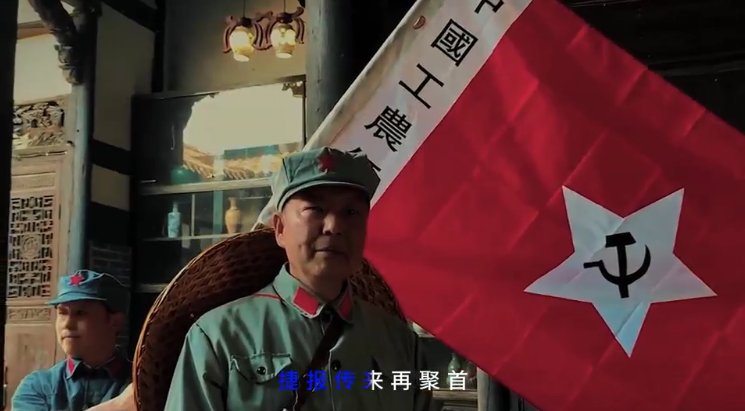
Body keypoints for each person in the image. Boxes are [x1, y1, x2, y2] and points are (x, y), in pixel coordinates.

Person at [165, 147, 433, 411]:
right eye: (315, 209)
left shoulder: (400, 342)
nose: (334, 226)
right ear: (280, 229)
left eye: (351, 213)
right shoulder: (217, 337)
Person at [12, 270, 135, 411]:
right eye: (62, 313)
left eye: (80, 313)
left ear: (115, 322)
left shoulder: (144, 383)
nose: (67, 324)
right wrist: (119, 406)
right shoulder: (39, 386)